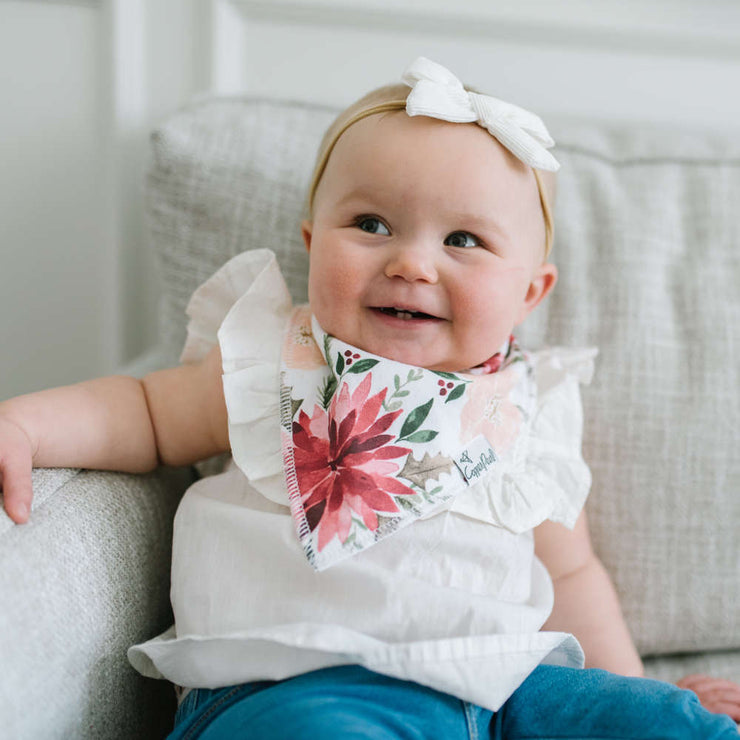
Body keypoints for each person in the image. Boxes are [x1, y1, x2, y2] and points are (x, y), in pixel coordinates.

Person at [1, 57, 738, 738]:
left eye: (464, 240)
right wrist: (28, 425)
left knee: (668, 724)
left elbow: (572, 575)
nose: (412, 262)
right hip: (295, 680)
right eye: (372, 225)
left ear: (529, 292)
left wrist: (630, 687)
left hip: (502, 689)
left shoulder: (530, 407)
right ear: (313, 241)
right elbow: (145, 414)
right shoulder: (271, 362)